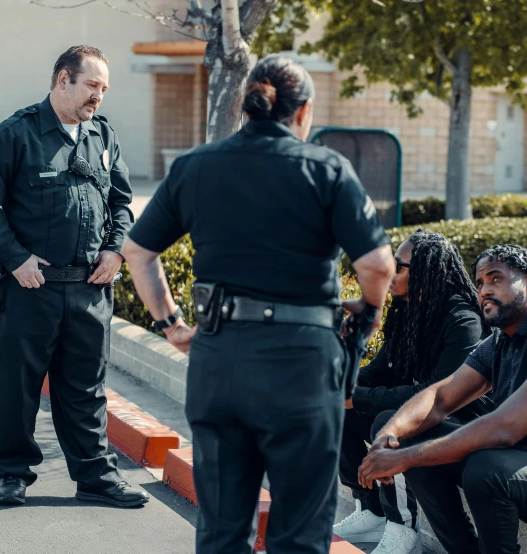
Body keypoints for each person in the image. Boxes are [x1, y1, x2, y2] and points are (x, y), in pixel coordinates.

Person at [122, 55, 395, 554]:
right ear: (303, 111)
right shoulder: (327, 169)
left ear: (247, 104)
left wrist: (172, 324)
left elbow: (138, 252)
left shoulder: (196, 166)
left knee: (223, 532)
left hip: (219, 359)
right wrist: (370, 314)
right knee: (299, 534)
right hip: (302, 365)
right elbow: (377, 265)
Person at [0, 45, 149, 508]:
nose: (98, 97)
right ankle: (10, 475)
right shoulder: (16, 134)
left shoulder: (103, 138)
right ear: (63, 79)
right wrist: (16, 259)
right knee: (16, 388)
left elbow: (122, 204)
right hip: (31, 289)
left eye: (104, 89)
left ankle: (95, 479)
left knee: (86, 389)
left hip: (89, 289)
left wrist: (114, 252)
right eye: (92, 85)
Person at [360, 245, 527, 554]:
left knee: (486, 469)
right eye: (480, 282)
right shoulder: (502, 337)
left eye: (496, 279)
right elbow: (440, 397)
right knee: (407, 435)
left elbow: (505, 428)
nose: (485, 290)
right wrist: (390, 436)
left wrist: (405, 459)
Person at [334, 230, 492, 554]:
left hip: (460, 423)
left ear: (428, 272)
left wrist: (357, 397)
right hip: (422, 413)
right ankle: (372, 509)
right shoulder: (408, 309)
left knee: (387, 422)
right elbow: (381, 368)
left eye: (400, 265)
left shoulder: (464, 321)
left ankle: (402, 527)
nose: (391, 272)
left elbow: (434, 397)